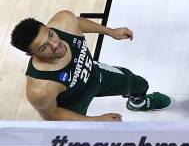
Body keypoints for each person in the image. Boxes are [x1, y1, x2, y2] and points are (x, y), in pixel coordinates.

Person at [10, 11, 171, 121]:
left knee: (140, 84)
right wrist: (96, 120)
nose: (55, 44)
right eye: (43, 47)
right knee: (79, 142)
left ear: (48, 27)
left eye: (50, 34)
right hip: (73, 104)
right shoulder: (40, 90)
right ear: (31, 54)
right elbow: (53, 115)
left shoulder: (64, 20)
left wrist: (110, 31)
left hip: (95, 75)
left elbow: (77, 22)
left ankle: (138, 103)